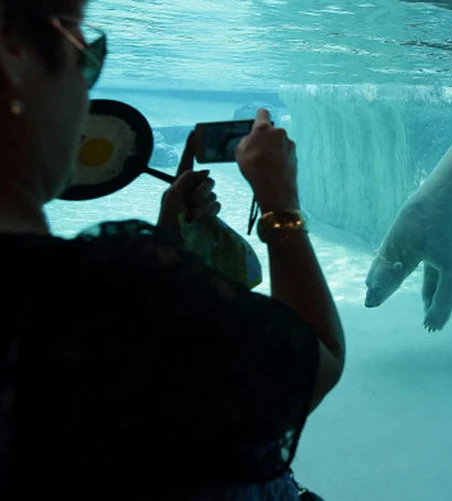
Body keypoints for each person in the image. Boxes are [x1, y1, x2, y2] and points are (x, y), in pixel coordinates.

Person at [0, 1, 345, 499]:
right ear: (14, 52)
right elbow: (320, 361)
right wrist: (279, 204)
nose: (85, 96)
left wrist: (167, 231)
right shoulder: (106, 290)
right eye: (85, 54)